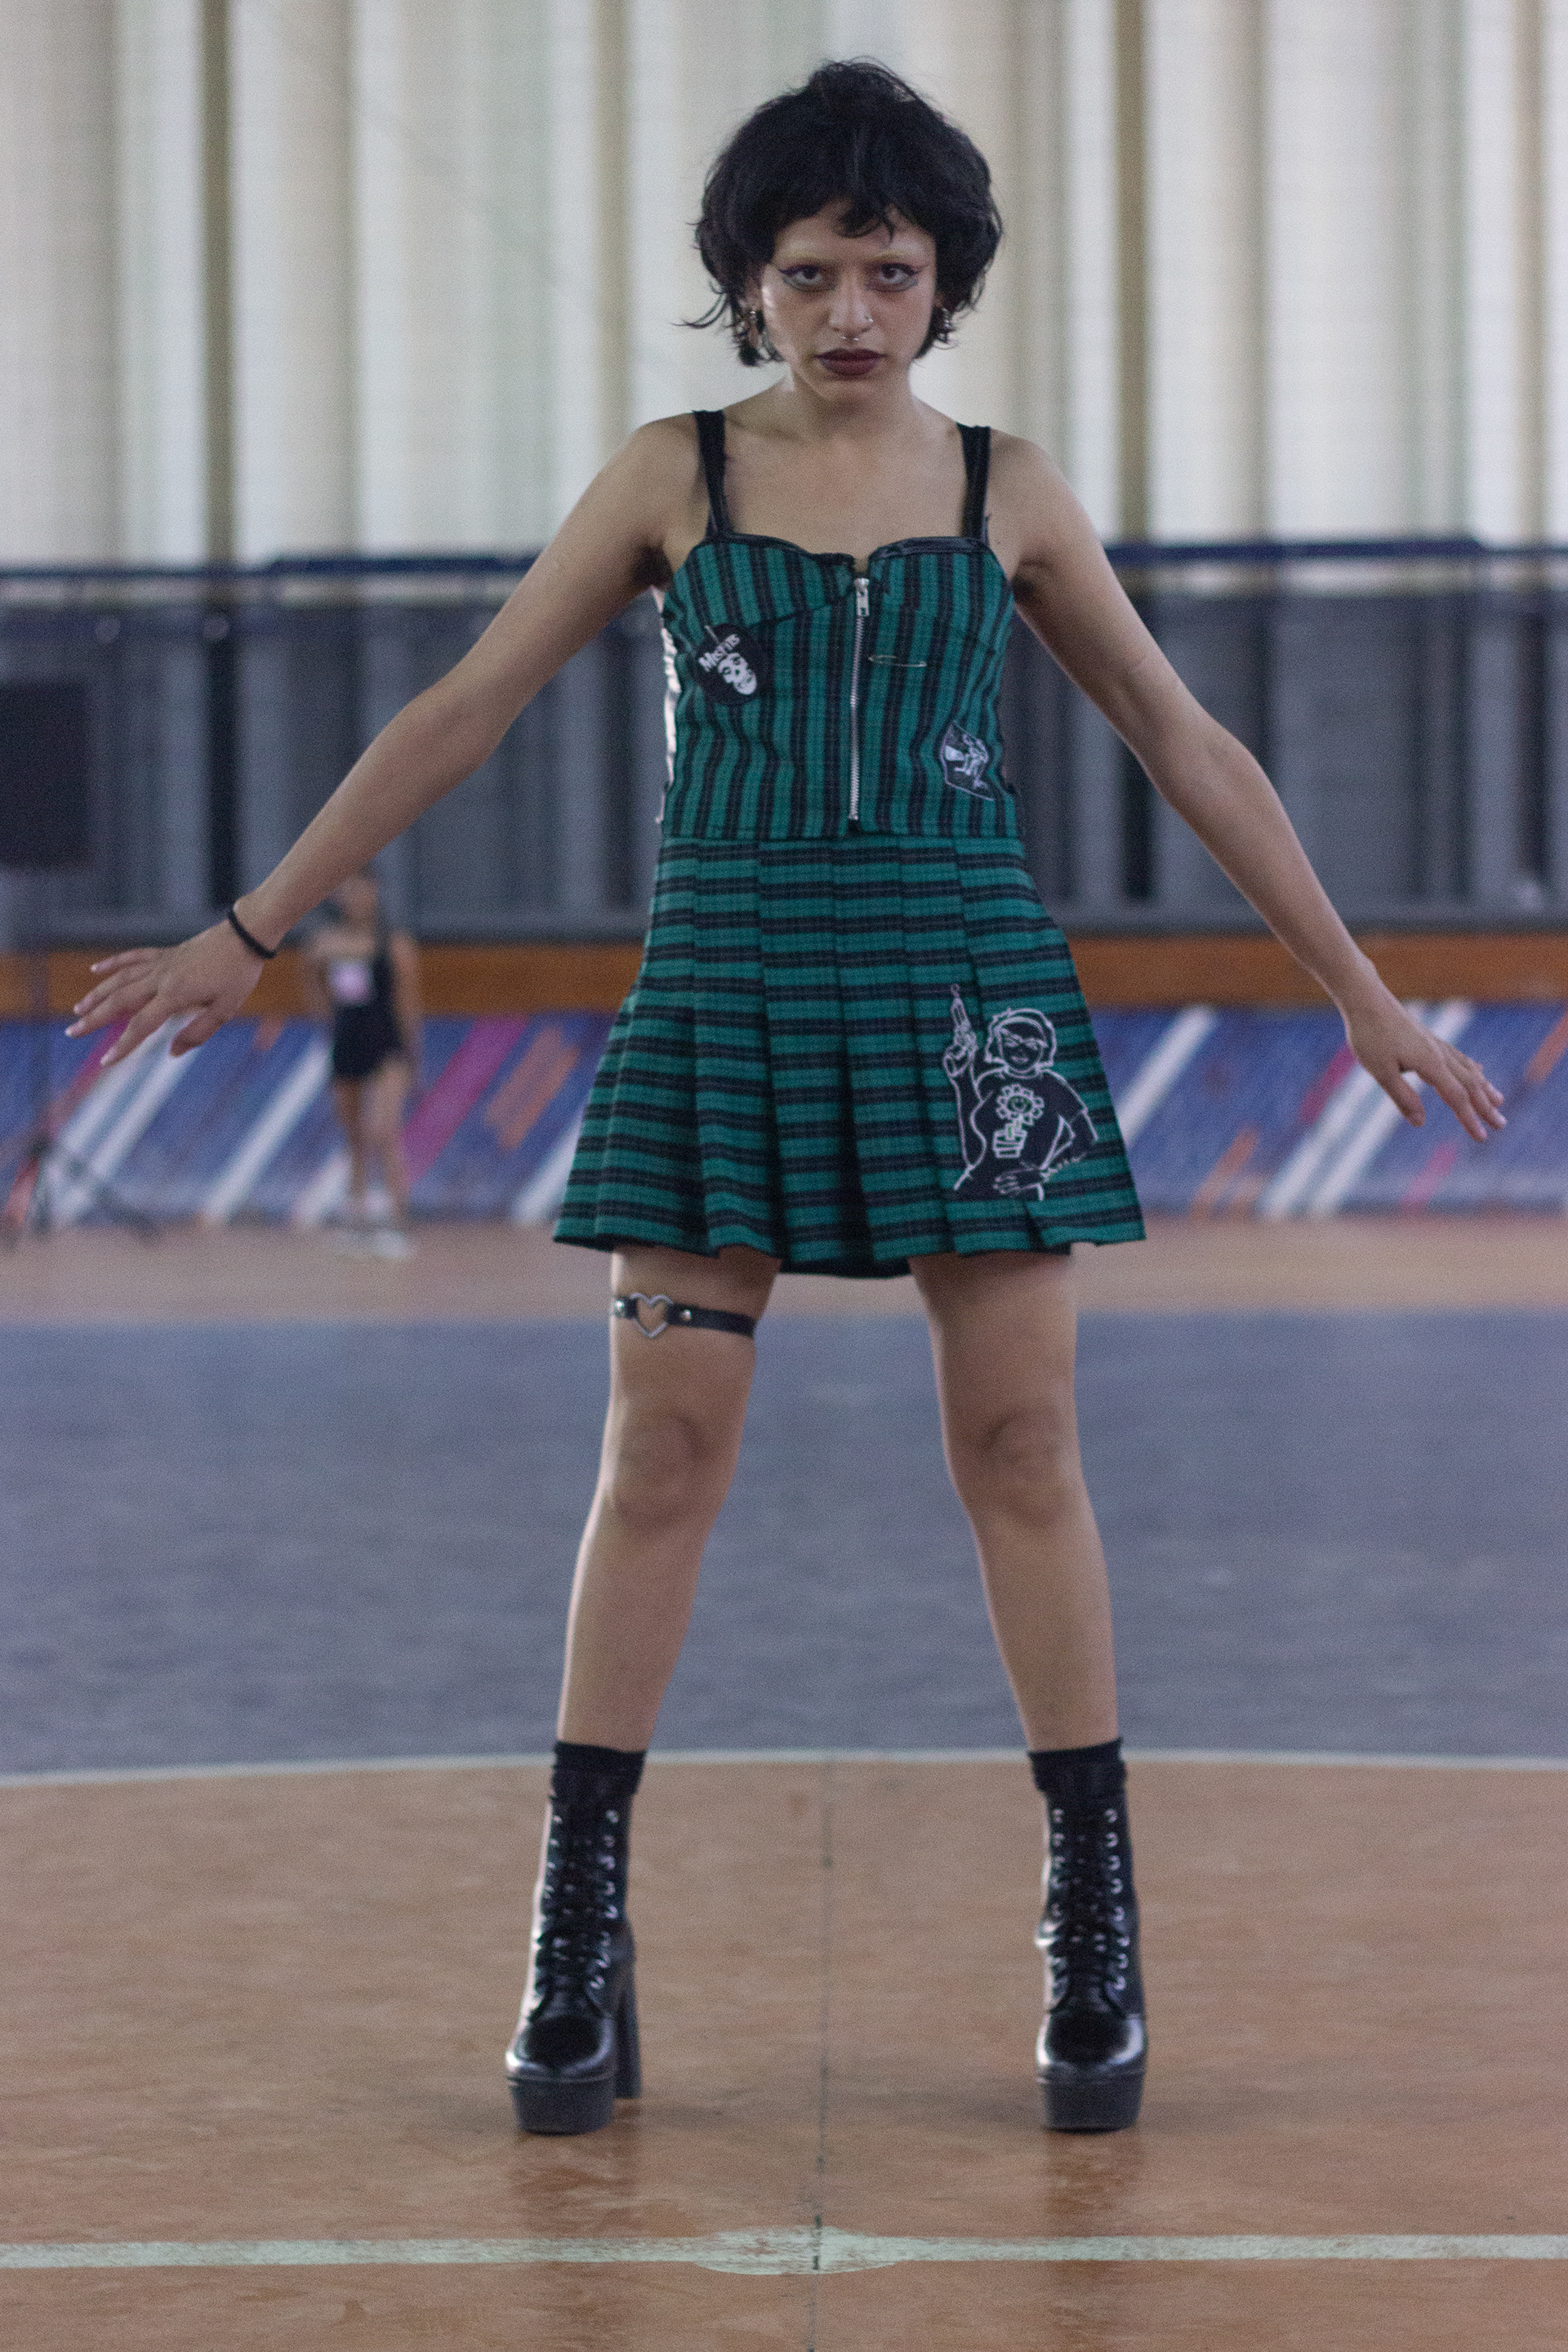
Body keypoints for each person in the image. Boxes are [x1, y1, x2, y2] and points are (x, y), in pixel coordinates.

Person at [69, 60, 1503, 2142]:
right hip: (727, 985)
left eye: (890, 271)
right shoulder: (675, 475)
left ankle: (1091, 1926)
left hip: (970, 1005)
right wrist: (254, 924)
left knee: (1023, 1445)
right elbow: (466, 702)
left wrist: (1358, 990)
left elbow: (1186, 740)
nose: (851, 309)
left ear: (945, 284)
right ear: (750, 280)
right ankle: (579, 1933)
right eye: (813, 270)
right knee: (661, 1450)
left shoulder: (1008, 489)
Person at [301, 869, 421, 1254]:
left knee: (383, 1130)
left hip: (386, 1044)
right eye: (347, 890)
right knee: (352, 1134)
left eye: (363, 890)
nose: (356, 898)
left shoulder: (393, 942)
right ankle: (357, 1217)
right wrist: (326, 1020)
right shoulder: (324, 942)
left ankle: (398, 1218)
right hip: (347, 1041)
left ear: (375, 892)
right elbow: (313, 983)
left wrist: (411, 1050)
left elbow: (407, 1000)